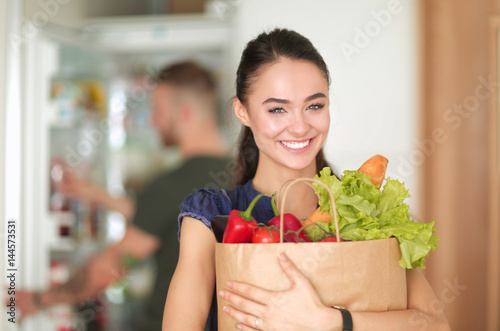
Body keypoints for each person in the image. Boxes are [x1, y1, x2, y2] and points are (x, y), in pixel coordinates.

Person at [162, 29, 450, 330]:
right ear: (242, 111)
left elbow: (434, 324)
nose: (300, 127)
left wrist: (331, 321)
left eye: (314, 106)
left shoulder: (363, 211)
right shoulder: (212, 217)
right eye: (277, 109)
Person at [17, 61, 230, 330]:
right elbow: (165, 218)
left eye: (158, 110)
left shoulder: (171, 185)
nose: (153, 119)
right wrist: (94, 194)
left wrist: (36, 300)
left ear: (185, 114)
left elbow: (110, 267)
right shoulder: (243, 174)